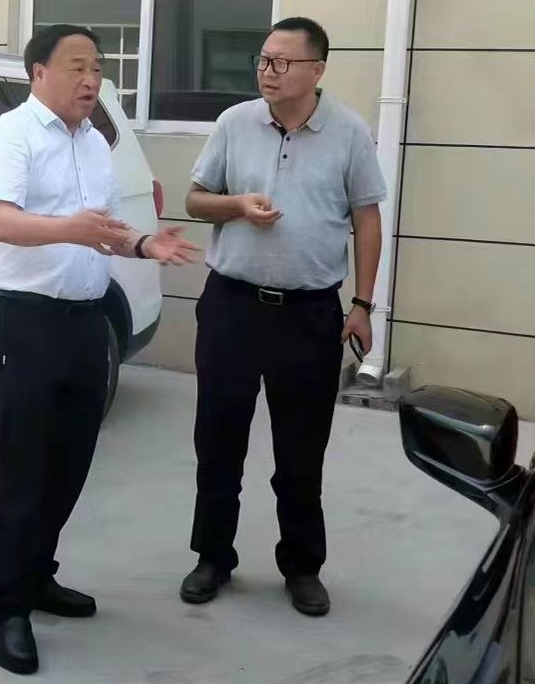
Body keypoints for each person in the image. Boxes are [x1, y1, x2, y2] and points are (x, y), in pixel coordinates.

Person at [0, 24, 199, 675]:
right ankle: (8, 608)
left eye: (97, 68)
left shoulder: (95, 142)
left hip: (85, 322)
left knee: (69, 462)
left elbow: (103, 228)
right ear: (38, 72)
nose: (91, 79)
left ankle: (38, 574)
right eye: (77, 66)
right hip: (22, 323)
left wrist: (142, 244)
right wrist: (67, 229)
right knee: (20, 469)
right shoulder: (8, 135)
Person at [178, 16, 386, 617]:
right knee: (218, 442)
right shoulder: (233, 123)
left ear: (316, 70)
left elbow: (367, 218)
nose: (267, 72)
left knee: (301, 451)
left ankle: (302, 566)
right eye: (263, 60)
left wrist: (362, 304)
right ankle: (212, 556)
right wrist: (236, 206)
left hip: (309, 315)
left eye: (281, 62)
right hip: (233, 306)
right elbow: (195, 200)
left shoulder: (349, 132)